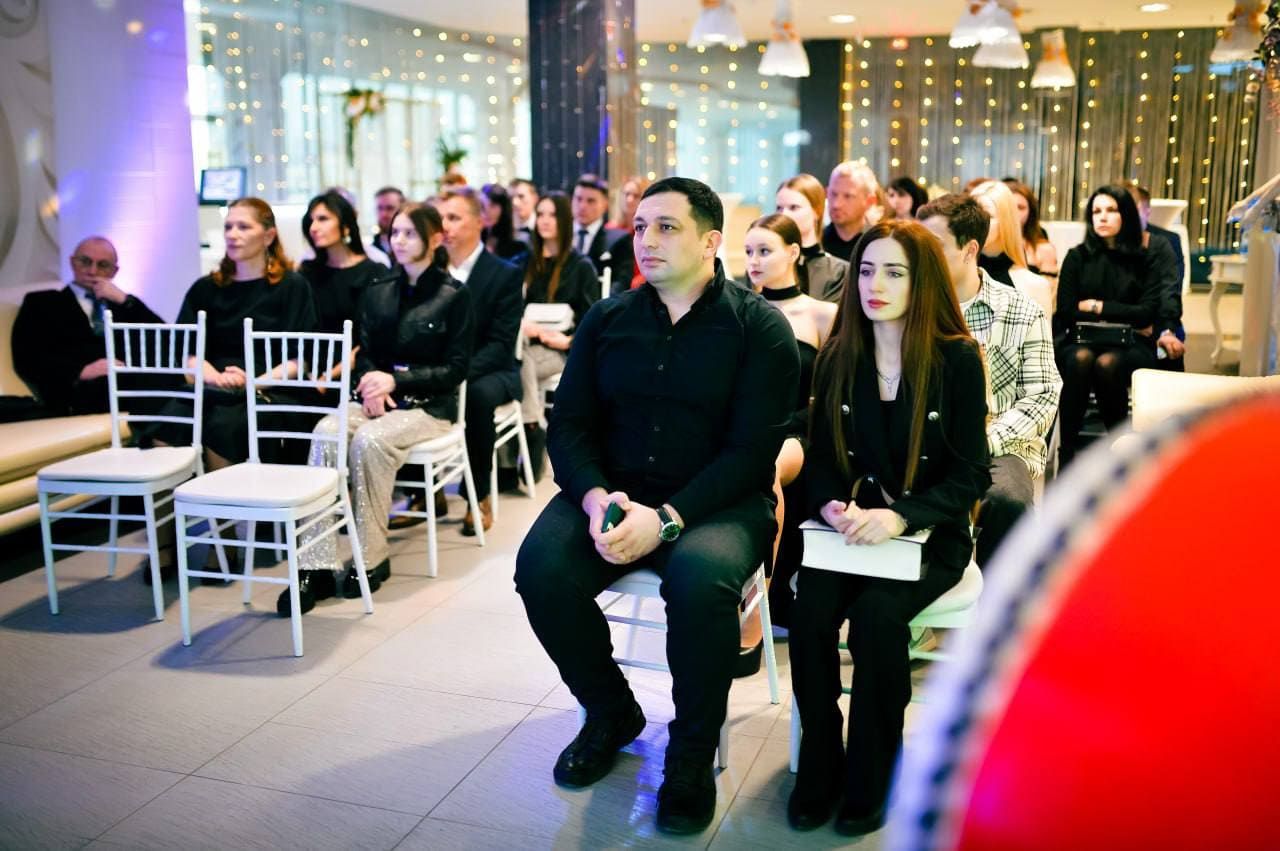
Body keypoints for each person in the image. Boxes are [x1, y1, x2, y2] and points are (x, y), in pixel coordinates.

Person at [515, 177, 798, 835]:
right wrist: (593, 497)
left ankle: (690, 754)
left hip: (719, 502)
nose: (647, 239)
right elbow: (570, 425)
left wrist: (667, 519)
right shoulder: (607, 319)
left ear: (710, 241)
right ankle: (611, 710)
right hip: (615, 490)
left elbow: (752, 453)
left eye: (667, 227)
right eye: (641, 226)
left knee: (700, 581)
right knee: (541, 570)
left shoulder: (758, 328)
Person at [788, 219, 990, 836]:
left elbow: (971, 474)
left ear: (921, 282)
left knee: (878, 618)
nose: (875, 285)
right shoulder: (840, 354)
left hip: (929, 535)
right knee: (810, 612)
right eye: (867, 271)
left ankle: (872, 771)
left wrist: (901, 516)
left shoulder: (956, 359)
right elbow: (822, 459)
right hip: (850, 532)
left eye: (894, 273)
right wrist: (830, 506)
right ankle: (820, 760)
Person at [293, 202, 473, 614]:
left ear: (434, 239)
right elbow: (366, 351)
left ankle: (370, 557)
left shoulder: (454, 295)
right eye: (395, 233)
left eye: (410, 233)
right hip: (377, 399)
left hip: (430, 407)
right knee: (326, 433)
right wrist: (372, 384)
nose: (400, 241)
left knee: (370, 442)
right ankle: (315, 563)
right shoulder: (378, 290)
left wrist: (397, 381)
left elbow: (457, 368)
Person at [919, 194, 1062, 570]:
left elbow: (1042, 396)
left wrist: (980, 441)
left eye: (934, 246)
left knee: (1006, 500)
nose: (922, 257)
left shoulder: (1020, 310)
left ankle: (1000, 599)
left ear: (970, 250)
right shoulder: (911, 307)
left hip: (998, 444)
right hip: (921, 440)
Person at [152, 198, 317, 471]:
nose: (232, 234)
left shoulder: (292, 286)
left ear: (268, 236)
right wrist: (216, 378)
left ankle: (227, 499)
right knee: (170, 422)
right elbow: (189, 354)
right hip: (213, 387)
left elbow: (299, 360)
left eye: (243, 227)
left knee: (224, 428)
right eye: (228, 227)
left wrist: (252, 383)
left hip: (271, 387)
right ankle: (179, 497)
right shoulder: (205, 288)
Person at [742, 213, 837, 641]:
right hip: (748, 427)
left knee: (767, 469)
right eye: (749, 252)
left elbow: (832, 392)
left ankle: (757, 608)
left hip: (801, 428)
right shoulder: (740, 311)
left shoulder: (822, 313)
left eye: (765, 251)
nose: (754, 261)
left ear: (794, 252)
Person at [1053, 185, 1171, 464]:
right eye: (1096, 211)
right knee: (1081, 359)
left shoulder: (1143, 259)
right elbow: (1067, 312)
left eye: (1111, 210)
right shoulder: (1077, 256)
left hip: (1131, 344)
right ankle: (1067, 452)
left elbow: (1146, 314)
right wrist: (1123, 314)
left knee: (1106, 364)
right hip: (1082, 340)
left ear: (1126, 214)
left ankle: (1119, 450)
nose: (1102, 217)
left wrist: (1096, 306)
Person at [437, 186, 523, 536]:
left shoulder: (504, 273)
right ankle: (423, 492)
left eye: (454, 217)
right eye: (441, 218)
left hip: (492, 369)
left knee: (475, 395)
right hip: (443, 367)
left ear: (479, 221)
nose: (445, 226)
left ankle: (479, 493)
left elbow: (501, 345)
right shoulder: (432, 270)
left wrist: (453, 374)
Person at [13, 236, 164, 416]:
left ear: (114, 271)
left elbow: (165, 339)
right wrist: (81, 371)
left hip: (125, 385)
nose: (92, 271)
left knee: (169, 379)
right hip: (75, 391)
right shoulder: (42, 303)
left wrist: (125, 300)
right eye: (85, 262)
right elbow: (27, 357)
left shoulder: (123, 307)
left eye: (102, 265)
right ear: (72, 262)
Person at [518, 190, 598, 477]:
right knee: (518, 359)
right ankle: (530, 427)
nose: (544, 220)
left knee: (520, 362)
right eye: (540, 214)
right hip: (523, 343)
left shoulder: (581, 266)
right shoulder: (524, 262)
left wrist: (568, 341)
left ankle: (530, 426)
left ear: (564, 220)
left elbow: (593, 320)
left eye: (552, 215)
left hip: (560, 350)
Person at [968, 180, 1054, 314]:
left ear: (1006, 220)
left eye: (987, 216)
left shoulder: (1034, 285)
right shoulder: (955, 279)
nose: (977, 223)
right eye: (972, 215)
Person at [1129, 184, 1186, 368]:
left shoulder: (1166, 241)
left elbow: (1171, 289)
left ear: (1147, 211)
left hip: (1158, 317)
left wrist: (1163, 327)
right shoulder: (1106, 239)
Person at [776, 173, 849, 303]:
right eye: (779, 208)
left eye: (794, 207)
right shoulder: (769, 263)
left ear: (817, 211)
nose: (784, 215)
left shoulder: (839, 271)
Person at [571, 173, 634, 295]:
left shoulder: (618, 240)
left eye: (591, 201)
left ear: (605, 204)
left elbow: (620, 286)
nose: (582, 206)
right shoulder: (558, 236)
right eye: (578, 199)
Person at [823, 161, 880, 262]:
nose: (836, 204)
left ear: (870, 201)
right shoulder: (817, 244)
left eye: (848, 196)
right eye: (833, 194)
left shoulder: (880, 244)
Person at [1003, 179, 1059, 279]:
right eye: (1009, 207)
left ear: (1030, 212)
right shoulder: (986, 246)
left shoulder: (1044, 250)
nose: (1014, 213)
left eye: (1021, 207)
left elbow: (1050, 287)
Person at [479, 183, 529, 263]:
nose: (487, 211)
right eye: (483, 206)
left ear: (503, 209)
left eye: (493, 205)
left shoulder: (518, 245)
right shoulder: (475, 241)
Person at [371, 186, 405, 260]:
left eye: (390, 208)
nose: (384, 214)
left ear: (402, 209)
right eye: (380, 208)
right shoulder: (369, 252)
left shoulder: (410, 248)